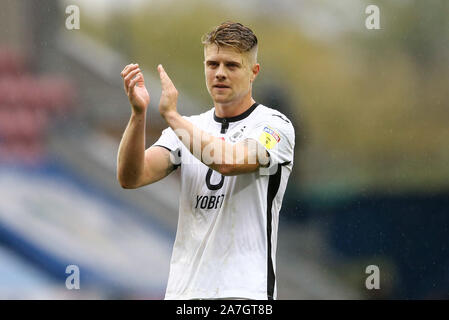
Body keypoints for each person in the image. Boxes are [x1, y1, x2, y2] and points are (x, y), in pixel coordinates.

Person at [117, 21, 295, 300]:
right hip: (184, 293)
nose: (220, 73)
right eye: (212, 64)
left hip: (243, 294)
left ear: (253, 72)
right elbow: (131, 177)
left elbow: (227, 162)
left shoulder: (274, 126)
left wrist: (172, 117)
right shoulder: (187, 129)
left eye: (232, 65)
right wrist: (138, 115)